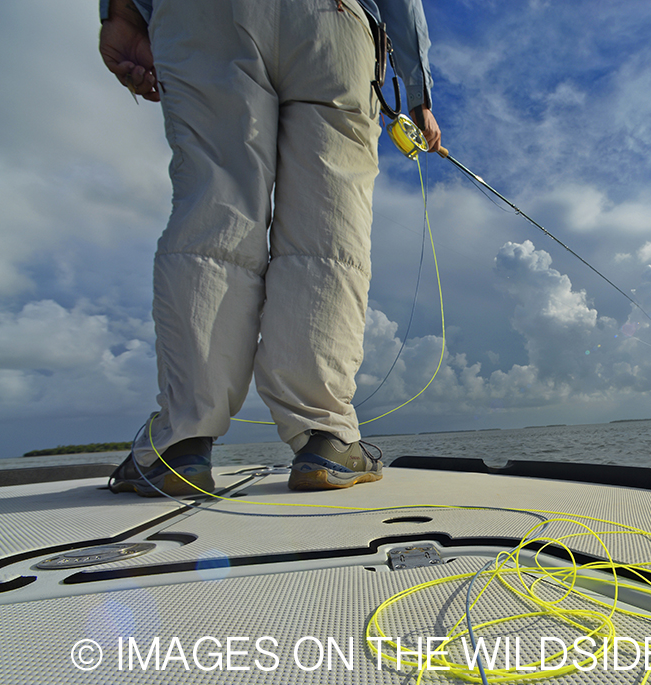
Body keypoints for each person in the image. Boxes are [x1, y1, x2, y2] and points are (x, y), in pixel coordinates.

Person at [98, 0, 441, 495]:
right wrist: (418, 91)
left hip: (203, 19)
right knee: (329, 226)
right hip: (335, 23)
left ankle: (181, 445)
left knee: (213, 204)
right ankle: (325, 437)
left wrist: (122, 13)